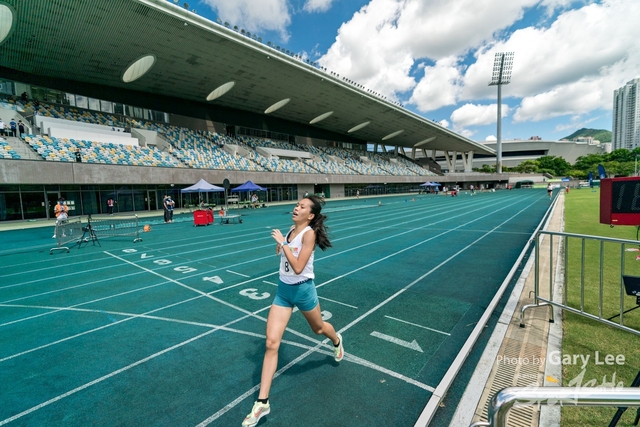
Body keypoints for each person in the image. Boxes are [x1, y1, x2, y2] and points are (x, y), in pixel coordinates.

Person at [242, 195, 343, 427]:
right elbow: (288, 259)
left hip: (303, 291)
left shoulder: (309, 234)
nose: (296, 208)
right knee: (271, 343)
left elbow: (298, 268)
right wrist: (282, 244)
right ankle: (262, 402)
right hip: (283, 292)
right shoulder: (290, 230)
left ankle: (336, 339)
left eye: (302, 206)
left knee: (318, 329)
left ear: (311, 215)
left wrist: (284, 244)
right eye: (297, 204)